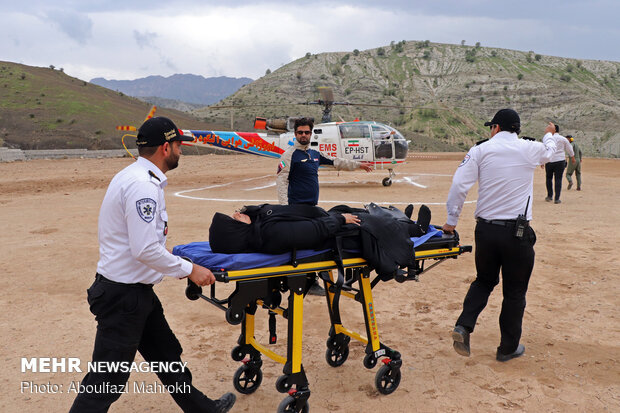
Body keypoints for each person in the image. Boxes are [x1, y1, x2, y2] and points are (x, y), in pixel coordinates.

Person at [70, 117, 236, 413]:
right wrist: (190, 270)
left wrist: (175, 256)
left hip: (136, 292)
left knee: (167, 357)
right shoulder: (143, 186)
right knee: (105, 381)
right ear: (165, 147)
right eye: (178, 146)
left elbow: (142, 243)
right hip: (124, 298)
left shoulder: (132, 175)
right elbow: (144, 248)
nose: (180, 152)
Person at [442, 109, 557, 362]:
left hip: (485, 229)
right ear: (516, 129)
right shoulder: (529, 148)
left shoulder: (480, 150)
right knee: (515, 292)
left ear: (495, 128)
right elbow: (551, 151)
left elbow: (459, 186)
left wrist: (450, 224)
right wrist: (549, 134)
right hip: (517, 233)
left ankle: (464, 325)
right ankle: (507, 348)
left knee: (483, 281)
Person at [276, 117, 373, 295]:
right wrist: (285, 209)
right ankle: (306, 281)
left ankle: (315, 279)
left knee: (321, 238)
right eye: (300, 132)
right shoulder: (289, 155)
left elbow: (337, 162)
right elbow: (281, 182)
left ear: (310, 133)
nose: (303, 135)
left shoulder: (314, 154)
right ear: (295, 134)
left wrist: (359, 165)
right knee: (303, 243)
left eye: (306, 132)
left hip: (313, 208)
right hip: (296, 209)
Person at [543, 125, 575, 204]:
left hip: (549, 160)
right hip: (560, 161)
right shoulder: (563, 139)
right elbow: (569, 149)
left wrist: (542, 160)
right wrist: (572, 157)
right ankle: (557, 199)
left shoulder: (547, 139)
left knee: (548, 178)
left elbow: (544, 149)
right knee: (558, 179)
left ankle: (549, 196)